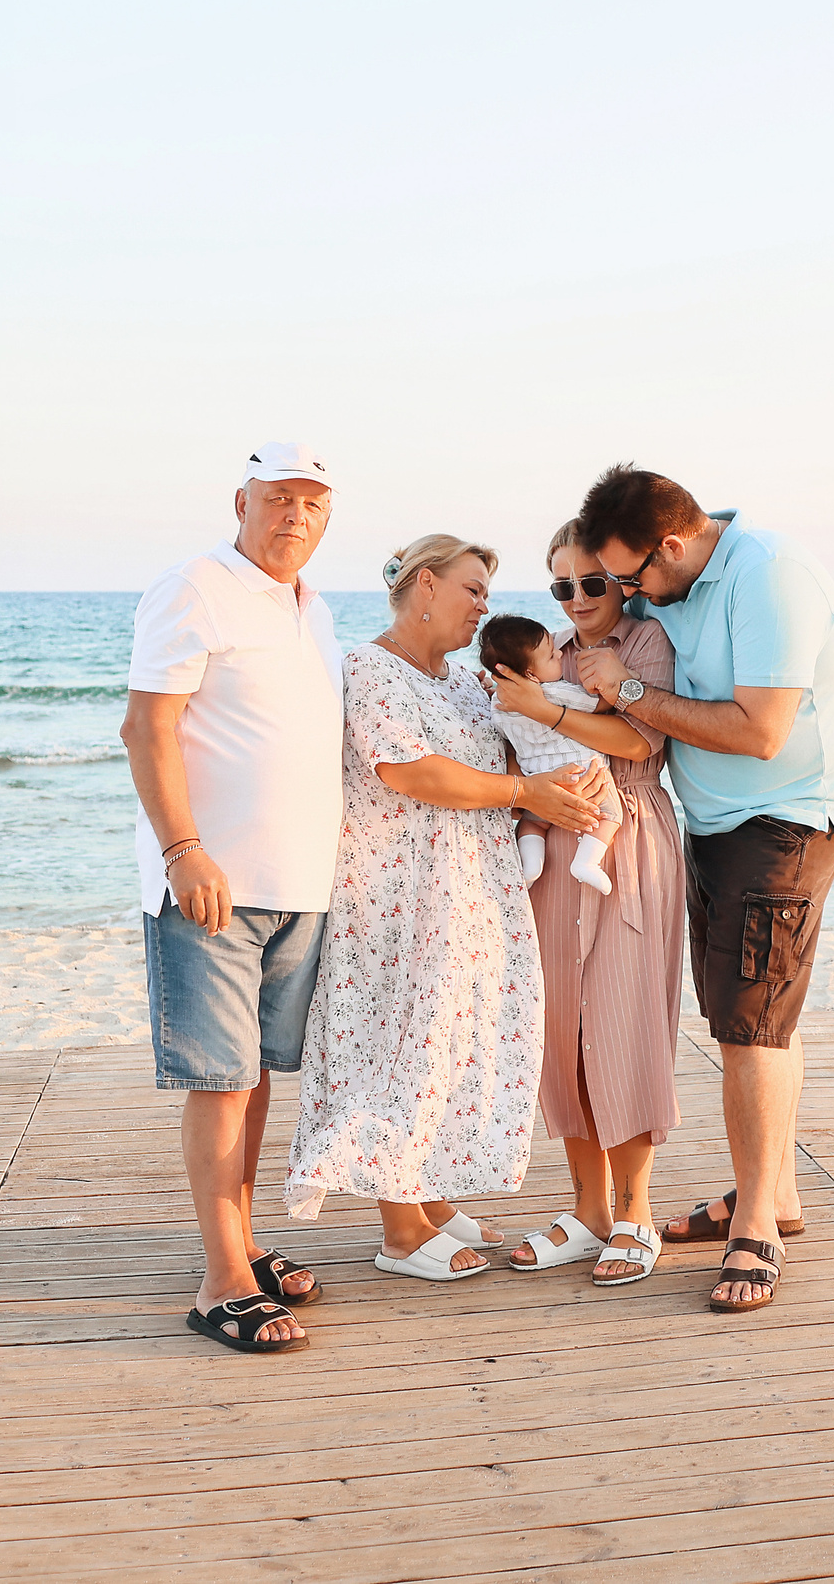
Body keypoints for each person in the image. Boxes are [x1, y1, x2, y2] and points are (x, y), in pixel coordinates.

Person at [572, 467, 834, 1314]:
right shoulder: (678, 577)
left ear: (671, 544)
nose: (631, 596)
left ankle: (756, 1235)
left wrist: (626, 690)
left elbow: (760, 731)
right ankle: (774, 1193)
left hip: (784, 819)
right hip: (715, 825)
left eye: (633, 578)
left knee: (748, 1029)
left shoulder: (770, 575)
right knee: (764, 1016)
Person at [281, 534, 607, 1282]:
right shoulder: (370, 668)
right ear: (424, 586)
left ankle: (423, 1200)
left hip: (471, 891)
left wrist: (571, 778)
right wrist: (527, 794)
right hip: (400, 899)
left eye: (487, 593)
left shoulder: (464, 681)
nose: (484, 606)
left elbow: (515, 747)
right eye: (472, 590)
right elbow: (410, 770)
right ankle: (398, 1230)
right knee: (395, 1051)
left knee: (445, 1046)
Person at [118, 441, 344, 1354]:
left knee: (252, 1083)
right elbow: (147, 726)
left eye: (314, 504)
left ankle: (243, 1243)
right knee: (219, 1083)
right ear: (241, 500)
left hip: (300, 886)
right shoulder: (194, 586)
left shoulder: (313, 610)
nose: (296, 516)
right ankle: (219, 1282)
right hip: (212, 884)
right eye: (280, 497)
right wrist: (183, 850)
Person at [491, 523, 688, 1288]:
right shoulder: (544, 655)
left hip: (627, 835)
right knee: (562, 1024)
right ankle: (588, 1211)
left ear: (620, 580)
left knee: (624, 1019)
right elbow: (508, 744)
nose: (577, 600)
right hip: (554, 846)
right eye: (561, 587)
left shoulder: (645, 645)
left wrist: (543, 713)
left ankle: (637, 1212)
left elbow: (641, 744)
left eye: (591, 583)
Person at [479, 614, 622, 896]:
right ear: (531, 675)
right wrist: (622, 683)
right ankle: (587, 862)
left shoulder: (498, 703)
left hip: (540, 784)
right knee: (610, 815)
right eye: (551, 654)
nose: (560, 653)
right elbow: (599, 706)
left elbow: (504, 740)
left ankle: (530, 867)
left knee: (533, 822)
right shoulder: (555, 692)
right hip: (582, 774)